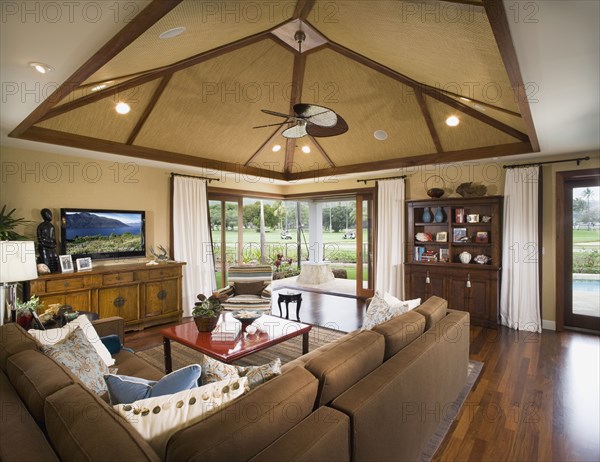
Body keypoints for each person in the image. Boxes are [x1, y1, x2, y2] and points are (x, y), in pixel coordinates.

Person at [37, 208, 60, 272]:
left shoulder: (51, 226)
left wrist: (54, 244)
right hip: (44, 247)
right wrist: (47, 244)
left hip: (52, 246)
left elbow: (53, 237)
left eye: (50, 214)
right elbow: (40, 239)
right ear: (44, 216)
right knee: (47, 264)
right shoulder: (40, 226)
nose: (50, 216)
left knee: (55, 261)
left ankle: (54, 272)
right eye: (48, 214)